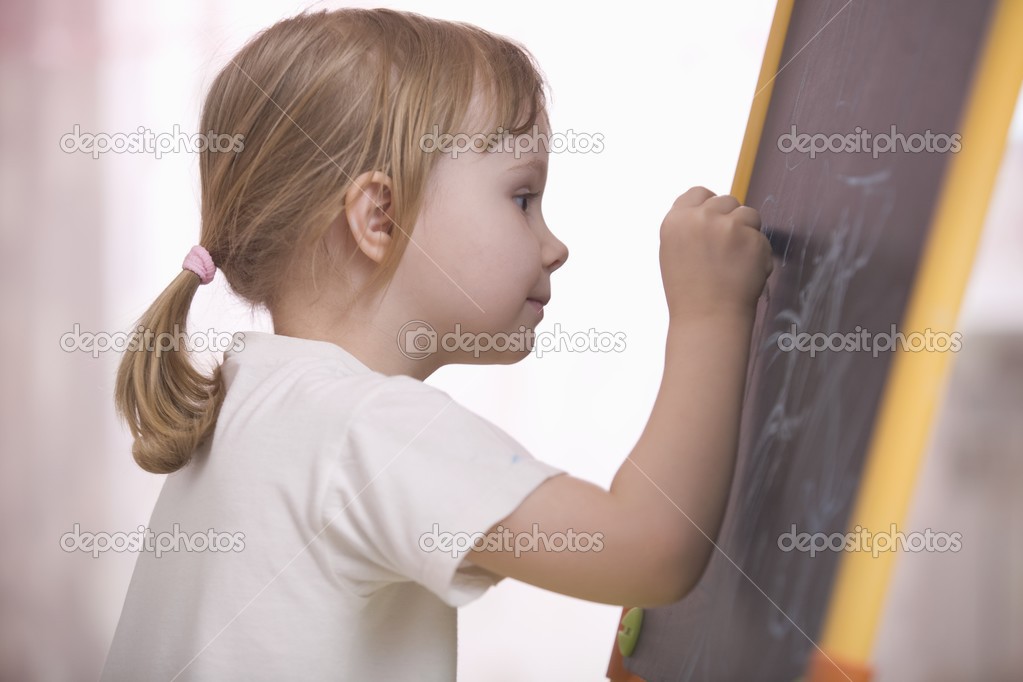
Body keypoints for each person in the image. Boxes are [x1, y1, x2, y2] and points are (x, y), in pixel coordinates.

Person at [101, 7, 773, 681]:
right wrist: (709, 315)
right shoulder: (365, 428)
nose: (554, 245)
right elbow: (646, 550)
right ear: (379, 217)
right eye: (521, 198)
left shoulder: (252, 410)